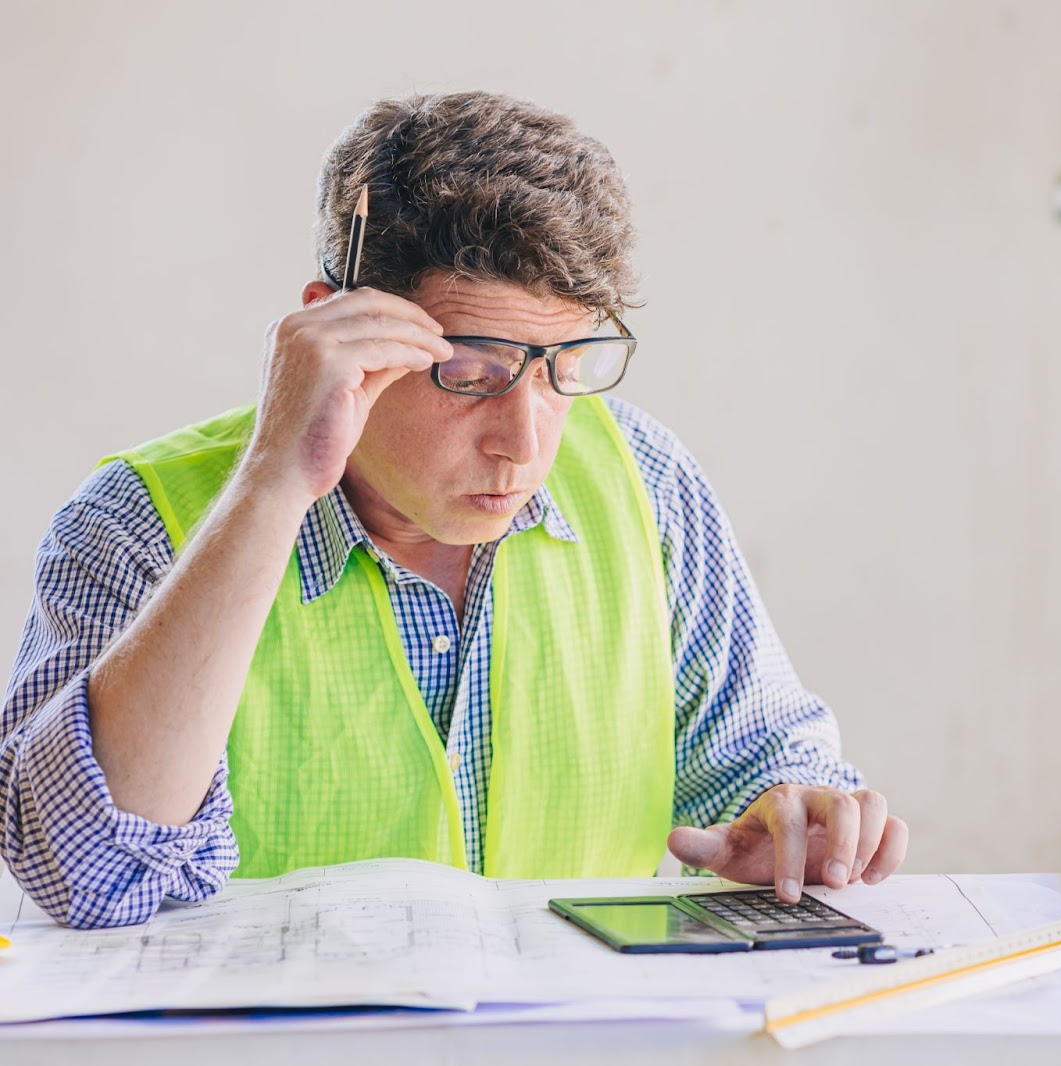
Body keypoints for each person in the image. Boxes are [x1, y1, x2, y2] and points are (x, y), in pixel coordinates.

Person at [0, 91, 906, 929]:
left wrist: (795, 813)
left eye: (563, 371)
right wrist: (273, 485)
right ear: (336, 329)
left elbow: (759, 760)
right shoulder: (138, 520)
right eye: (470, 374)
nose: (524, 440)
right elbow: (82, 876)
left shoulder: (646, 481)